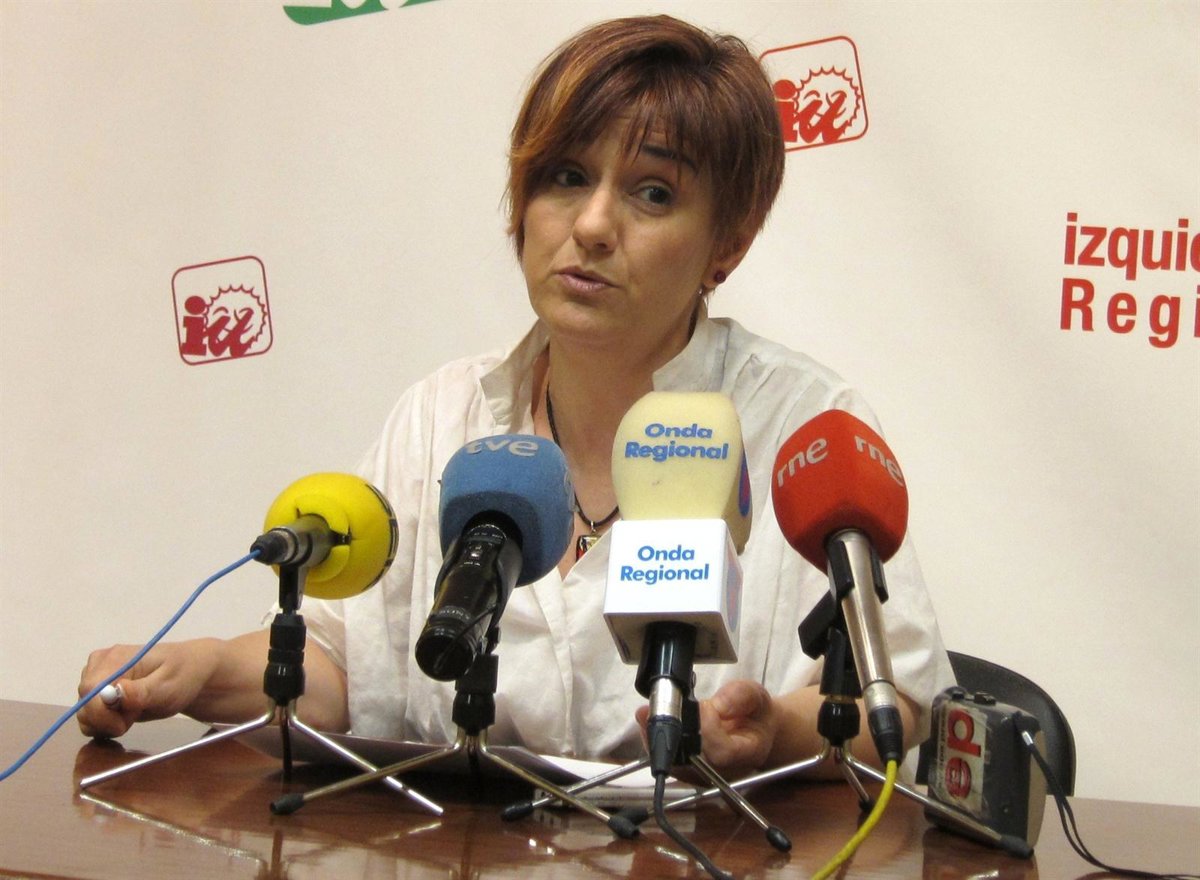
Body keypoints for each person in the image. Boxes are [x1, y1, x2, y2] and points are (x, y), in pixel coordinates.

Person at [78, 14, 953, 781]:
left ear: (728, 244)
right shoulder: (443, 415)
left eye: (653, 193)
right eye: (567, 177)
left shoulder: (802, 425)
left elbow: (900, 697)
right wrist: (204, 669)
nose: (593, 226)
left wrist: (774, 735)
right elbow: (343, 667)